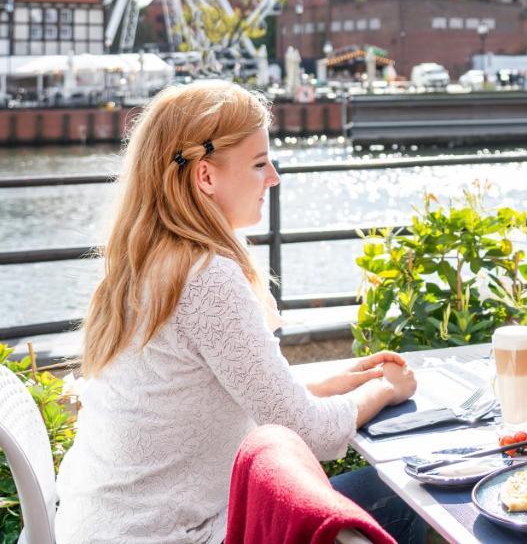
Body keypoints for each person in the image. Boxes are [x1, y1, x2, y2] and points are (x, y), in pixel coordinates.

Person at [55, 80, 422, 543]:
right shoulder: (204, 276)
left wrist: (338, 383)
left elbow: (218, 392)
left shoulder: (147, 260)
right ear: (205, 176)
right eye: (259, 163)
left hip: (103, 525)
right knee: (402, 493)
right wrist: (388, 389)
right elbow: (312, 434)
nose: (274, 178)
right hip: (173, 535)